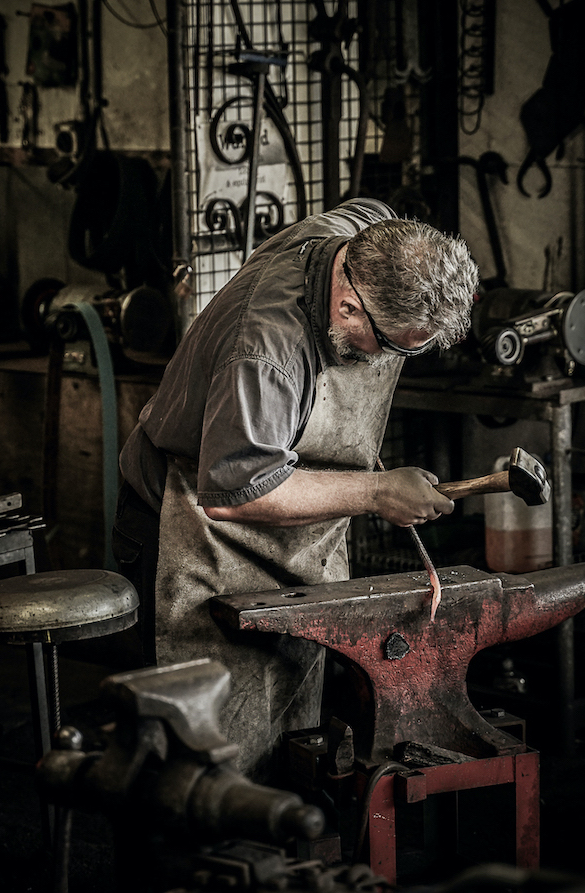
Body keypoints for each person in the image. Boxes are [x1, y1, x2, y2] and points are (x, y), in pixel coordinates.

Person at [112, 197, 479, 779]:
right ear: (348, 304)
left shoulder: (367, 235)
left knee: (283, 739)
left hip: (289, 537)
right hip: (189, 533)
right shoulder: (265, 351)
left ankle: (279, 862)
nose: (387, 361)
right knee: (199, 765)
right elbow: (239, 490)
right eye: (390, 346)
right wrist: (378, 493)